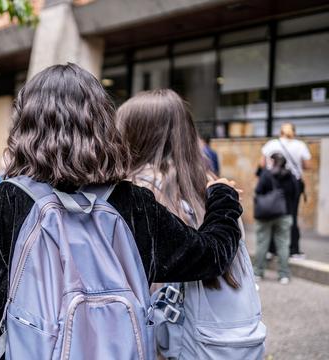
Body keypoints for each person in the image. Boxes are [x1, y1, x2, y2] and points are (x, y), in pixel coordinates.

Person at [0, 63, 243, 358]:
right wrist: (222, 196)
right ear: (102, 124)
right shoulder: (135, 204)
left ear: (23, 127)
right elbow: (211, 255)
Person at [118, 89, 265, 358]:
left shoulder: (135, 194)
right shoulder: (215, 187)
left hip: (165, 340)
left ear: (133, 136)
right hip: (217, 337)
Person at [260, 123, 311, 258]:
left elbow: (262, 164)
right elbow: (307, 166)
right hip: (292, 184)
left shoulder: (271, 144)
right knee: (291, 215)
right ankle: (293, 249)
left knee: (272, 214)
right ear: (293, 132)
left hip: (272, 183)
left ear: (280, 132)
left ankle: (271, 249)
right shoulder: (300, 145)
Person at [254, 153, 298, 284]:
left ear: (273, 161)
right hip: (285, 214)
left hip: (265, 215)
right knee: (283, 244)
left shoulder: (267, 174)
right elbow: (296, 193)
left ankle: (258, 272)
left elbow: (258, 191)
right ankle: (283, 275)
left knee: (262, 243)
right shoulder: (291, 176)